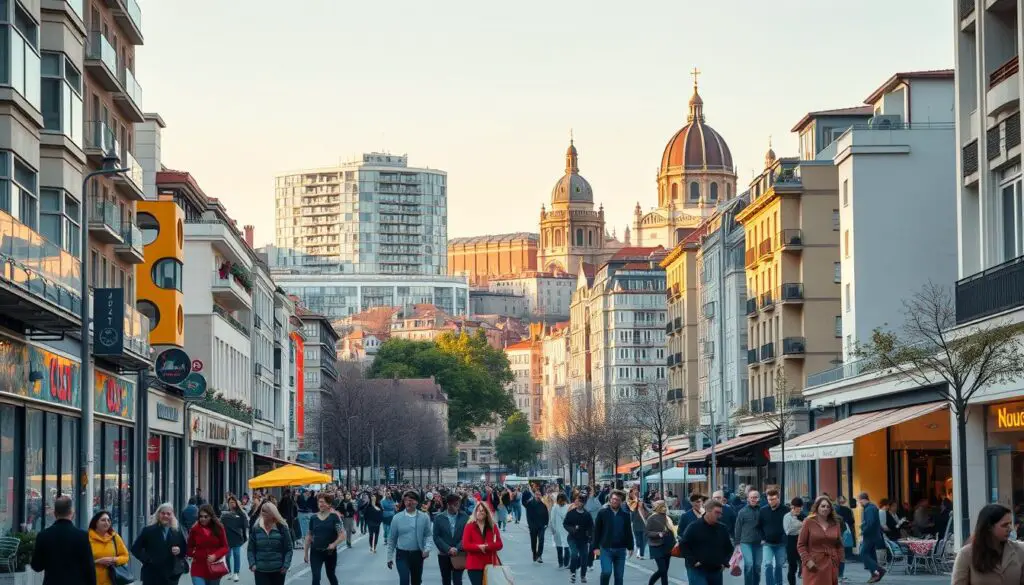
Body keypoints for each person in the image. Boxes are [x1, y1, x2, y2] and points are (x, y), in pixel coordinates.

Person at [30, 495, 96, 585]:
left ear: (55, 513)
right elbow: (89, 567)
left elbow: (37, 566)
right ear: (72, 513)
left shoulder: (43, 535)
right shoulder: (82, 536)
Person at [953, 503, 1024, 584]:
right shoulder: (966, 554)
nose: (1010, 529)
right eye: (1004, 525)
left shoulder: (1020, 550)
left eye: (1010, 524)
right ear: (989, 527)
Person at [679, 499, 734, 585]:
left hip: (716, 569)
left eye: (720, 513)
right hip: (697, 570)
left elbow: (729, 548)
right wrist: (693, 561)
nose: (719, 516)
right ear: (708, 511)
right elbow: (683, 544)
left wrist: (724, 562)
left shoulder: (722, 528)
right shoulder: (694, 527)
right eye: (717, 512)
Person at [133, 503, 189, 585]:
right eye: (163, 513)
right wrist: (147, 559)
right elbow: (135, 549)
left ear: (172, 515)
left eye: (168, 514)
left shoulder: (177, 531)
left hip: (171, 576)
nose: (165, 516)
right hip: (152, 575)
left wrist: (179, 550)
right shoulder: (148, 530)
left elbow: (184, 550)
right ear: (158, 514)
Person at [386, 490, 435, 585]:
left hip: (417, 554)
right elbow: (392, 539)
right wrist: (389, 557)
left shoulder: (424, 517)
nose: (409, 502)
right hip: (402, 554)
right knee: (404, 580)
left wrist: (427, 549)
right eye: (407, 500)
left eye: (412, 500)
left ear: (417, 502)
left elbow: (428, 535)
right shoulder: (397, 518)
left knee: (416, 581)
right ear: (404, 502)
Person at [797, 496, 845, 585]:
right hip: (813, 564)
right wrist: (807, 560)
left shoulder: (835, 523)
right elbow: (801, 545)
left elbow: (839, 544)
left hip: (831, 564)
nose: (825, 508)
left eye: (828, 506)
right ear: (817, 507)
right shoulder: (808, 522)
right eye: (823, 506)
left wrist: (839, 560)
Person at [592, 489, 634, 585]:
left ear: (621, 501)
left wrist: (631, 547)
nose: (615, 501)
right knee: (606, 572)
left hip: (620, 549)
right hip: (606, 549)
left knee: (619, 576)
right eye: (613, 499)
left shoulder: (625, 515)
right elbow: (596, 531)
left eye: (618, 500)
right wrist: (595, 547)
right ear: (610, 499)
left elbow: (628, 532)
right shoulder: (602, 512)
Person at [248, 502, 294, 585]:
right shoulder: (256, 528)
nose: (263, 513)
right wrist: (252, 564)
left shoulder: (282, 527)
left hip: (278, 570)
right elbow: (251, 549)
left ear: (273, 513)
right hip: (260, 570)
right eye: (262, 511)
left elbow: (289, 548)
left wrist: (286, 565)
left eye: (266, 511)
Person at [461, 498, 503, 585]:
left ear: (487, 513)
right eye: (479, 510)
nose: (481, 512)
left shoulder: (493, 526)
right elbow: (465, 545)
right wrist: (479, 547)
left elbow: (499, 544)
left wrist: (487, 546)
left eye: (483, 510)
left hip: (490, 564)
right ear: (475, 512)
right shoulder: (469, 526)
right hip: (474, 565)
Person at [305, 494, 345, 585]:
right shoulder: (313, 518)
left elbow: (342, 535)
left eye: (322, 502)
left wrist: (334, 544)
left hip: (329, 552)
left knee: (330, 575)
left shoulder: (334, 517)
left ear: (328, 504)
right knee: (316, 577)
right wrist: (305, 553)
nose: (320, 504)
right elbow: (309, 536)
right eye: (319, 502)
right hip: (315, 552)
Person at [187, 504, 230, 585]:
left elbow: (225, 547)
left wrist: (215, 555)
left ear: (211, 516)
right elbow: (189, 547)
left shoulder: (219, 528)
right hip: (198, 567)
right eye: (201, 516)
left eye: (206, 516)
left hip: (214, 567)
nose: (203, 519)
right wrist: (194, 553)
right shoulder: (194, 529)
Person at [433, 493, 469, 585]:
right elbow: (436, 537)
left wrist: (457, 548)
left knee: (458, 580)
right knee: (446, 579)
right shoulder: (439, 518)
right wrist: (448, 549)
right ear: (448, 504)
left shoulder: (464, 517)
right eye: (455, 504)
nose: (457, 506)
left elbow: (466, 535)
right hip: (444, 553)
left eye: (458, 504)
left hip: (459, 553)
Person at [88, 510, 130, 585]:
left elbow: (126, 556)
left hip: (112, 580)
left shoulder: (115, 537)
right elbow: (79, 561)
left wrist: (114, 560)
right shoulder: (87, 538)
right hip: (92, 579)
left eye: (108, 520)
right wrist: (97, 561)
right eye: (103, 520)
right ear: (96, 523)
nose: (106, 522)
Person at [564, 492, 595, 584]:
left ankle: (583, 575)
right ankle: (573, 573)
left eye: (581, 502)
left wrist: (591, 537)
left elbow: (591, 527)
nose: (579, 504)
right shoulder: (571, 513)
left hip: (583, 539)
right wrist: (573, 529)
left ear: (584, 503)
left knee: (584, 556)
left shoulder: (587, 514)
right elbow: (565, 524)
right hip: (572, 538)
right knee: (574, 554)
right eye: (578, 501)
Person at [735, 489, 764, 585]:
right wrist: (737, 544)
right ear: (748, 499)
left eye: (755, 497)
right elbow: (738, 527)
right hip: (745, 542)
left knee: (757, 566)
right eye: (751, 497)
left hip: (759, 543)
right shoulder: (742, 512)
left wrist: (765, 538)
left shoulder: (762, 511)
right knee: (749, 564)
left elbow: (766, 526)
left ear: (758, 499)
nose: (753, 499)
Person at [760, 488, 787, 585]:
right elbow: (759, 526)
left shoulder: (786, 510)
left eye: (774, 499)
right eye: (769, 499)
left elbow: (789, 526)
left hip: (781, 543)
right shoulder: (763, 511)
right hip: (767, 543)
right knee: (768, 565)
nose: (771, 501)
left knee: (779, 566)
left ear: (778, 498)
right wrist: (762, 538)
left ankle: (779, 583)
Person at [645, 500, 676, 585]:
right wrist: (658, 534)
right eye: (662, 506)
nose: (665, 508)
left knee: (664, 570)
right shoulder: (651, 518)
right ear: (657, 507)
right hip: (656, 546)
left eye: (665, 506)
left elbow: (672, 529)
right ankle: (651, 583)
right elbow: (647, 532)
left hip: (668, 545)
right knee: (663, 570)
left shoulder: (667, 517)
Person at [857, 492, 887, 583]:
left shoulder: (869, 508)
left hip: (870, 536)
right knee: (871, 555)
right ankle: (874, 574)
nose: (859, 503)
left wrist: (863, 530)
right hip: (873, 536)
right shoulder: (871, 507)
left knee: (863, 553)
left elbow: (870, 523)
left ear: (863, 499)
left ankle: (879, 570)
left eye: (860, 501)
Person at [221, 496, 249, 582]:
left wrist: (244, 537)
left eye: (233, 502)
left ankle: (236, 573)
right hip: (227, 538)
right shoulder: (225, 514)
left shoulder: (241, 513)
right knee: (227, 556)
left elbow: (245, 525)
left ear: (236, 503)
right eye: (230, 502)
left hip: (237, 538)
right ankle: (229, 572)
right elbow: (221, 525)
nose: (231, 504)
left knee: (237, 555)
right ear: (228, 504)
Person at [782, 498, 805, 585]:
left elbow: (806, 529)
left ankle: (802, 574)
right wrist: (800, 525)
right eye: (796, 507)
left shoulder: (804, 515)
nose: (798, 509)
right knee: (792, 566)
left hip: (802, 541)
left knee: (804, 563)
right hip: (791, 542)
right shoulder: (787, 516)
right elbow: (788, 531)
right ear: (792, 506)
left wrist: (796, 526)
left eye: (800, 507)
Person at [525, 489, 550, 563]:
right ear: (534, 495)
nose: (538, 496)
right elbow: (528, 516)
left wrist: (546, 524)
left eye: (539, 495)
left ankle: (539, 555)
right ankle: (534, 553)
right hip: (533, 526)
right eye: (536, 494)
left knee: (541, 540)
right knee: (534, 541)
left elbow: (546, 515)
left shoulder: (543, 505)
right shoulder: (530, 504)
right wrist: (530, 525)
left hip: (541, 526)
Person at [550, 493, 570, 569]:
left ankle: (564, 563)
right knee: (561, 547)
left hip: (564, 530)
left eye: (562, 501)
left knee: (565, 547)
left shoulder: (566, 507)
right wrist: (553, 529)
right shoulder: (556, 508)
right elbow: (552, 520)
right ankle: (562, 563)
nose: (561, 502)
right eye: (560, 501)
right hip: (559, 530)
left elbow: (552, 520)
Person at [628, 491, 648, 560]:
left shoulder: (646, 511)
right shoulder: (634, 511)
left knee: (643, 542)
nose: (640, 503)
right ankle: (639, 552)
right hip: (636, 528)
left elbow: (649, 517)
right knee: (638, 541)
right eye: (639, 502)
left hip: (643, 528)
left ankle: (641, 554)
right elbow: (631, 519)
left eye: (641, 502)